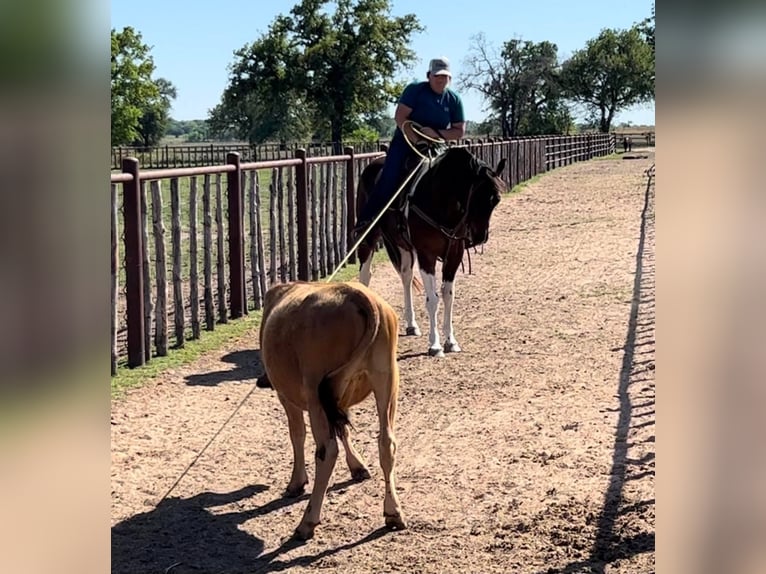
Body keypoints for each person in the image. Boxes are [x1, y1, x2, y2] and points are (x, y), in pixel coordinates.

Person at [353, 56, 466, 238]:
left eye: (444, 77)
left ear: (449, 79)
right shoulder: (415, 90)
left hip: (436, 146)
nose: (440, 80)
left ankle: (458, 226)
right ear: (429, 75)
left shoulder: (453, 99)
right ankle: (366, 223)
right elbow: (400, 117)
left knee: (453, 180)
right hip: (405, 142)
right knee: (389, 178)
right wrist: (417, 139)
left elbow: (459, 131)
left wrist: (436, 134)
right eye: (437, 76)